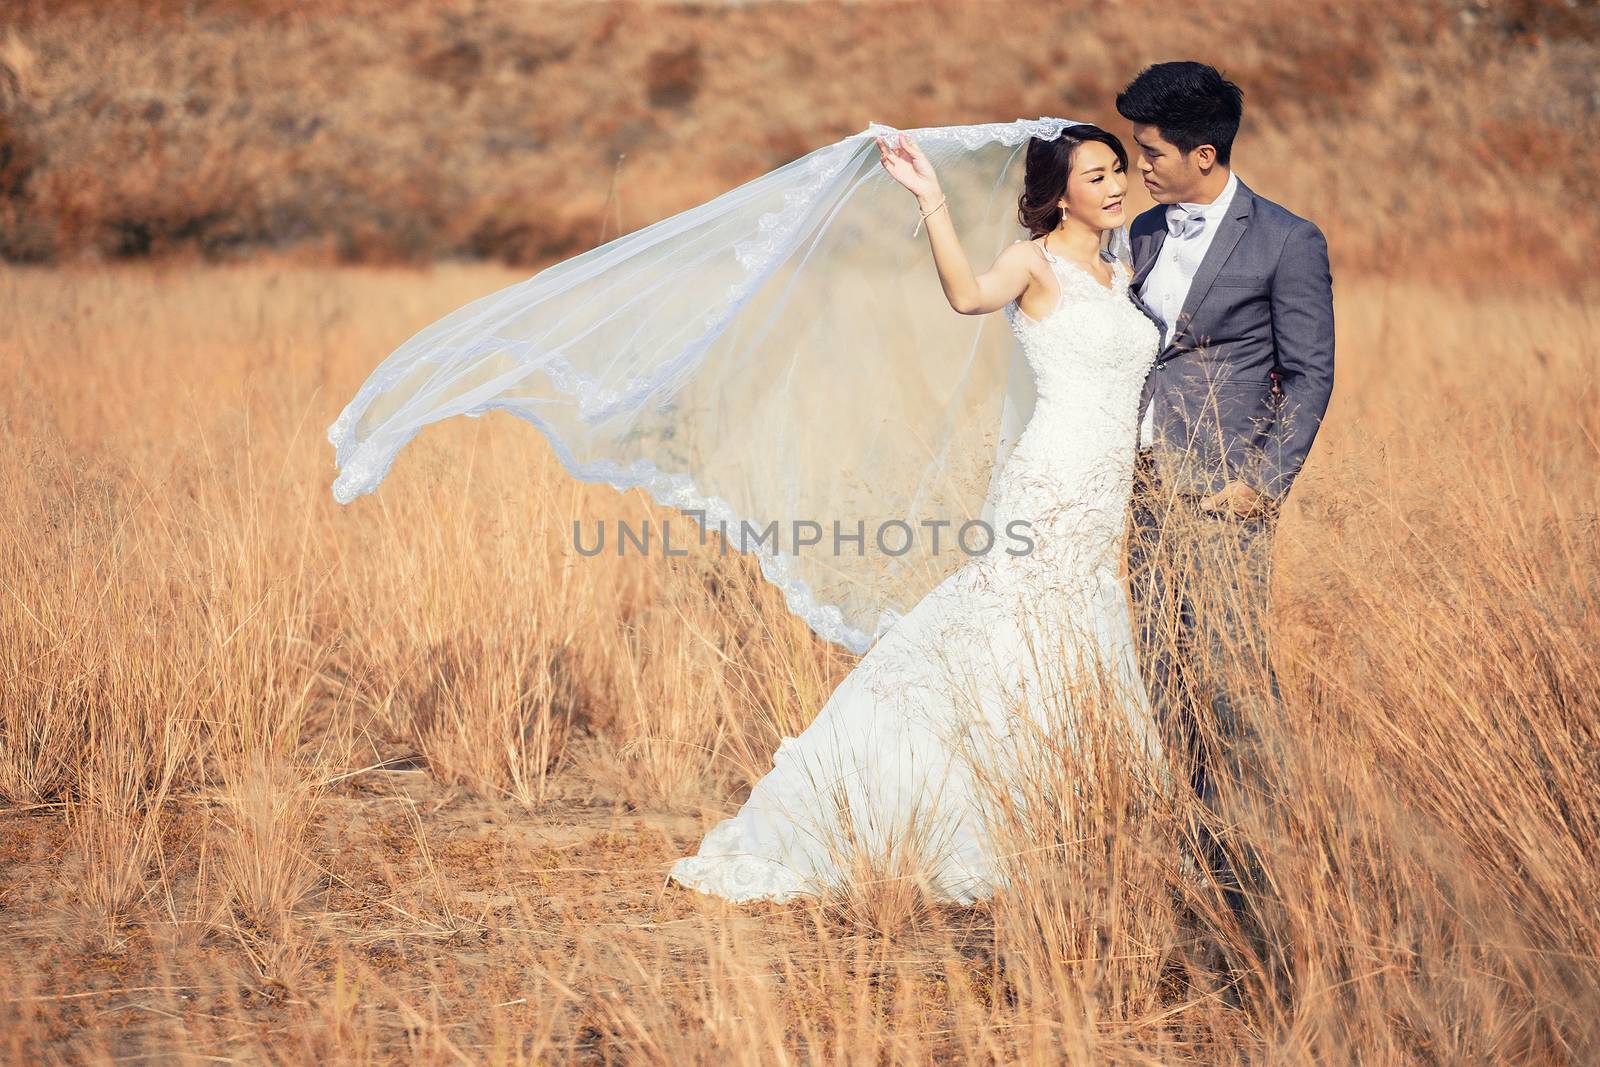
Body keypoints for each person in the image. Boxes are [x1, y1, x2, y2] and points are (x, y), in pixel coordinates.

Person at [667, 124, 1172, 902]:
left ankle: (1072, 818)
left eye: (1117, 172)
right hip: (1052, 480)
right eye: (1097, 175)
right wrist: (933, 201)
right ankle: (952, 817)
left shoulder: (1125, 265)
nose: (1115, 186)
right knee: (1014, 632)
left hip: (1109, 493)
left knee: (1083, 633)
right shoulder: (1030, 263)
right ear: (1059, 192)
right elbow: (967, 297)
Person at [1117, 60, 1335, 979]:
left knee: (1234, 689)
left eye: (1153, 152)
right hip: (1135, 491)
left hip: (1222, 495)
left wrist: (1262, 484)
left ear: (1205, 153)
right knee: (1165, 684)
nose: (1140, 168)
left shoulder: (1288, 240)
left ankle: (1273, 892)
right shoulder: (1137, 230)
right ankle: (1201, 882)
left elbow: (1311, 371)